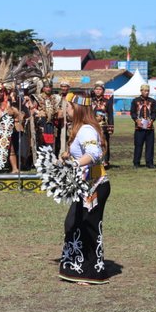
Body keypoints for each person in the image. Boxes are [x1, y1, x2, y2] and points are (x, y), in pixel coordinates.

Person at [58, 92, 111, 285]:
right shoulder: (81, 129)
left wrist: (75, 164)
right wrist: (67, 156)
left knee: (87, 225)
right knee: (73, 223)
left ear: (78, 109)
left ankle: (90, 272)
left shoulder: (86, 129)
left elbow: (94, 154)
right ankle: (76, 265)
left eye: (69, 107)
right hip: (86, 185)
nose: (66, 111)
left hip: (94, 186)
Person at [130, 84, 156, 168]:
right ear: (141, 91)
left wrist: (152, 120)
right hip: (139, 127)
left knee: (150, 146)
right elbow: (132, 112)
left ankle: (149, 163)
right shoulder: (135, 101)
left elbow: (154, 113)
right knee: (138, 145)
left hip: (150, 127)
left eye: (148, 91)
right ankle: (136, 163)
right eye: (145, 90)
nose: (146, 92)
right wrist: (136, 120)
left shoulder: (153, 101)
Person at [92, 82, 114, 168]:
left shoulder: (107, 102)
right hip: (93, 126)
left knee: (104, 144)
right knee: (93, 143)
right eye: (96, 89)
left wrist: (111, 127)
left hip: (104, 127)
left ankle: (105, 162)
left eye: (100, 89)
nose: (98, 91)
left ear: (103, 91)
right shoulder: (90, 101)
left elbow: (111, 115)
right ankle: (94, 161)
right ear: (94, 90)